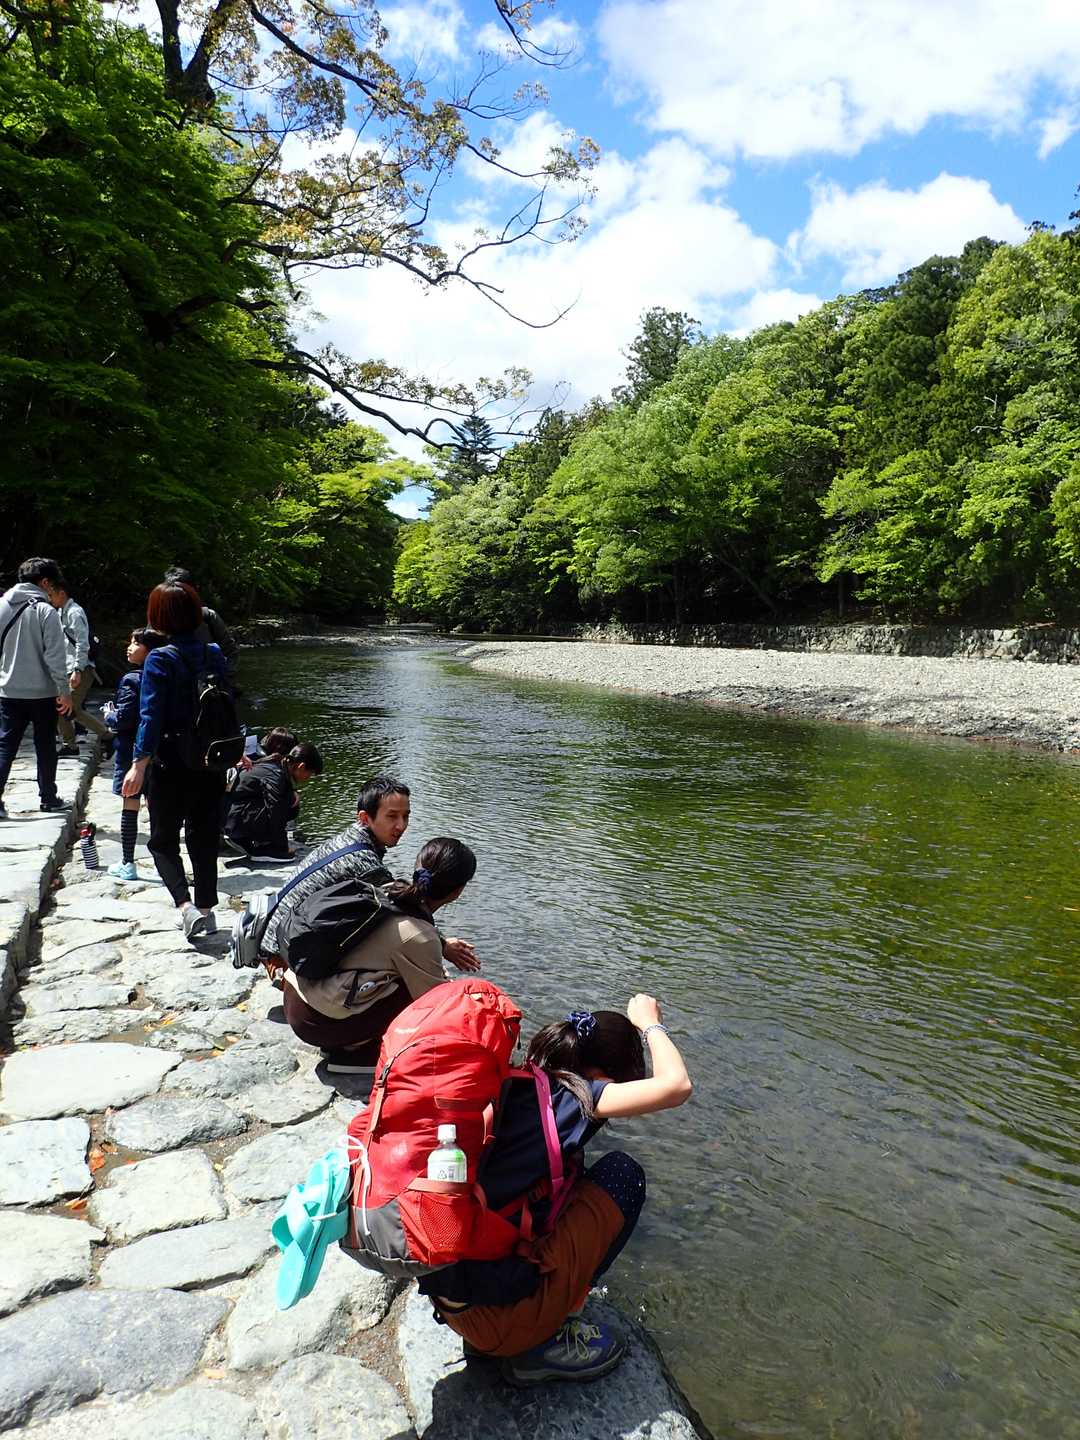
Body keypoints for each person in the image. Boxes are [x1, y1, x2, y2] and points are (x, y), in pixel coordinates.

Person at [420, 994, 692, 1387]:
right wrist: (650, 1025)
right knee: (622, 1176)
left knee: (571, 1181)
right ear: (606, 1075)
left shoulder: (521, 1081)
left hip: (454, 1301)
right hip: (499, 1322)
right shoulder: (576, 1098)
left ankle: (511, 1327)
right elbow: (676, 1085)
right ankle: (542, 1341)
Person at [281, 836, 481, 1075]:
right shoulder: (420, 937)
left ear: (417, 867)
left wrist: (441, 945)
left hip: (296, 994)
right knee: (422, 998)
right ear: (458, 891)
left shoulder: (390, 889)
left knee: (409, 977)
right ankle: (356, 1052)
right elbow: (436, 1007)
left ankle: (350, 1039)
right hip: (315, 1022)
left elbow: (399, 935)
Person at [261, 775, 478, 975]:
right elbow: (404, 903)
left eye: (405, 816)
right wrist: (441, 945)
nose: (401, 825)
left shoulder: (351, 839)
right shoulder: (361, 860)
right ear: (365, 818)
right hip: (282, 951)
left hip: (281, 931)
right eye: (392, 816)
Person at [121, 580, 230, 940]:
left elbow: (150, 715)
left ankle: (185, 907)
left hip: (171, 762)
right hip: (211, 759)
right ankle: (206, 910)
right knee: (204, 836)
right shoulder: (213, 652)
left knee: (162, 841)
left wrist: (139, 764)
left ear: (158, 616)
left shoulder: (160, 658)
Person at [0, 558, 74, 819]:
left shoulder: (2, 605)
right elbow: (55, 656)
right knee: (45, 746)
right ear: (44, 582)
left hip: (8, 690)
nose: (52, 590)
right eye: (51, 585)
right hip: (43, 693)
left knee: (5, 746)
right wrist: (64, 690)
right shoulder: (45, 611)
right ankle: (49, 798)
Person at [106, 627, 166, 881]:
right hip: (161, 750)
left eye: (135, 643)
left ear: (149, 650)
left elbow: (125, 718)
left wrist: (109, 715)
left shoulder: (132, 679)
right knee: (157, 809)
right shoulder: (167, 675)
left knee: (130, 803)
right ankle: (164, 863)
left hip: (132, 750)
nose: (129, 647)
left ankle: (128, 863)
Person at [223, 740, 323, 862]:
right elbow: (276, 812)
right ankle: (254, 846)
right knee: (287, 803)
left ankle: (256, 841)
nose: (309, 778)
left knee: (290, 799)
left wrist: (292, 793)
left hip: (232, 813)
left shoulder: (276, 764)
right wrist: (282, 848)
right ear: (301, 766)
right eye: (310, 773)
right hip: (232, 819)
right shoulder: (276, 775)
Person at [55, 582, 111, 756]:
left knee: (69, 708)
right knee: (65, 707)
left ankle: (106, 736)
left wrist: (78, 669)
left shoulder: (74, 612)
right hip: (69, 668)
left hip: (81, 669)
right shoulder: (61, 612)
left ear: (61, 593)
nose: (49, 599)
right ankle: (70, 744)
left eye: (51, 594)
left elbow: (82, 643)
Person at [163, 568, 237, 677]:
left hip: (207, 681)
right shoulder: (159, 619)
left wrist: (225, 677)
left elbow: (229, 649)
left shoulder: (208, 616)